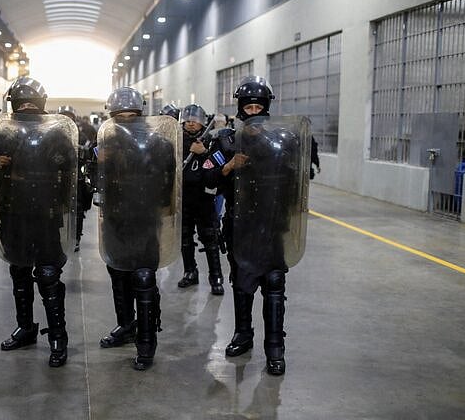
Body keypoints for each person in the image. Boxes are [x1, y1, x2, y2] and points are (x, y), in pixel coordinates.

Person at [203, 76, 309, 376]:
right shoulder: (226, 140)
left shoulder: (283, 140)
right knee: (243, 282)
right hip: (241, 224)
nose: (253, 111)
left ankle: (275, 348)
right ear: (240, 108)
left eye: (258, 106)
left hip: (274, 223)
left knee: (274, 284)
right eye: (248, 106)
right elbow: (208, 179)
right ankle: (243, 334)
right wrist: (229, 166)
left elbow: (297, 179)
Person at [0, 77, 77, 368]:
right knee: (19, 272)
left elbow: (71, 171)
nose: (26, 107)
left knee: (49, 276)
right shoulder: (1, 132)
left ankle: (58, 336)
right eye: (20, 102)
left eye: (31, 102)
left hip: (45, 213)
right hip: (13, 213)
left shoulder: (56, 133)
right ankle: (26, 328)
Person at [94, 87, 180, 370]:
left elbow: (169, 183)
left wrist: (163, 210)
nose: (126, 121)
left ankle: (147, 339)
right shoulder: (104, 145)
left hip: (145, 220)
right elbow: (93, 181)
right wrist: (99, 164)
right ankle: (126, 326)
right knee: (117, 272)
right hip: (116, 219)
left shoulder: (159, 144)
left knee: (143, 278)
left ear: (141, 115)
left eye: (132, 115)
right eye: (120, 116)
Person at [176, 104, 224, 295]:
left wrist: (203, 152)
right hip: (183, 198)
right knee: (185, 239)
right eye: (187, 120)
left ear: (202, 122)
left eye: (195, 121)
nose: (191, 124)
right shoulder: (177, 141)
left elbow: (219, 164)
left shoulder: (212, 140)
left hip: (204, 199)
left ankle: (216, 278)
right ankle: (190, 272)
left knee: (210, 239)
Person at [57, 105, 94, 252]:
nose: (67, 119)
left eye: (70, 116)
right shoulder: (52, 135)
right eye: (64, 116)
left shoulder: (82, 136)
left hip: (77, 178)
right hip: (57, 178)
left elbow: (89, 156)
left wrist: (83, 153)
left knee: (78, 210)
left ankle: (76, 237)